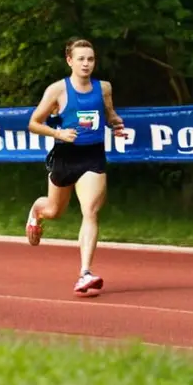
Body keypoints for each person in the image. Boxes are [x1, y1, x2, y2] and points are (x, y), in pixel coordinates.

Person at [24, 38, 127, 297]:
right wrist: (58, 134)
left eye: (90, 59)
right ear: (70, 61)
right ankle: (37, 211)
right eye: (81, 59)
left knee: (90, 210)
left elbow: (109, 113)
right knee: (54, 210)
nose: (86, 64)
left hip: (92, 157)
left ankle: (85, 273)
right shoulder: (57, 90)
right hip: (65, 157)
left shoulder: (103, 88)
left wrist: (116, 125)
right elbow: (34, 123)